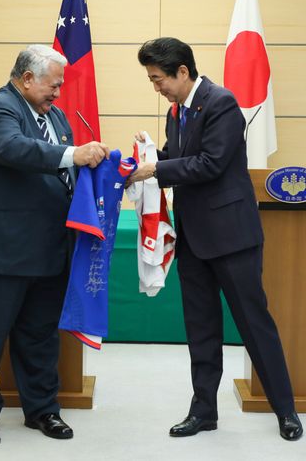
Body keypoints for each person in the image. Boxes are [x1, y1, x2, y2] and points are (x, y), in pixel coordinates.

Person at [128, 37, 303, 441]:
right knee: (201, 328)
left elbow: (209, 163)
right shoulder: (178, 111)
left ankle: (286, 410)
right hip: (193, 238)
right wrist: (145, 157)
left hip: (231, 238)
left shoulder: (221, 102)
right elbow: (176, 154)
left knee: (254, 324)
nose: (156, 88)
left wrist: (154, 169)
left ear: (183, 71)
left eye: (158, 80)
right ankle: (204, 409)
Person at [0, 44, 109, 445]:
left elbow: (67, 174)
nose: (58, 93)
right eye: (53, 85)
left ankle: (42, 409)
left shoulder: (56, 116)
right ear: (27, 79)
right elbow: (18, 149)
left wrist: (106, 175)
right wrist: (75, 154)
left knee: (39, 337)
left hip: (47, 249)